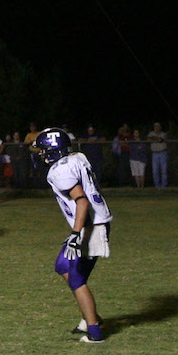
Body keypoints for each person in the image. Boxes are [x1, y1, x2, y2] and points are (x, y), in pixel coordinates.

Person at [30, 128, 113, 343]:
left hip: (90, 225)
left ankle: (94, 331)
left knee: (75, 277)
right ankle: (91, 317)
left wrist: (76, 233)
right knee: (63, 266)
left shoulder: (59, 171)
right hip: (95, 221)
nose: (41, 154)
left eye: (43, 149)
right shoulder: (78, 157)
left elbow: (82, 201)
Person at [148, 124, 170, 188]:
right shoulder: (151, 133)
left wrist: (154, 138)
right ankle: (157, 186)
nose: (156, 128)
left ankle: (164, 186)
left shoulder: (163, 134)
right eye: (155, 127)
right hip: (155, 154)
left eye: (158, 127)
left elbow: (161, 140)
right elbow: (148, 139)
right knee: (155, 171)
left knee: (164, 170)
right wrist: (155, 138)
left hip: (163, 153)